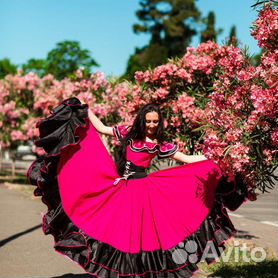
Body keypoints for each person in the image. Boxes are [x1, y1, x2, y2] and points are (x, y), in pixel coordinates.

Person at [27, 97, 248, 278]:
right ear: (142, 120)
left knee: (145, 234)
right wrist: (85, 109)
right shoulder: (127, 134)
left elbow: (188, 160)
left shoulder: (160, 144)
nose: (152, 125)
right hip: (124, 188)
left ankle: (142, 272)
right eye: (149, 121)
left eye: (155, 121)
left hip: (146, 190)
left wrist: (218, 156)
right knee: (120, 230)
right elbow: (102, 128)